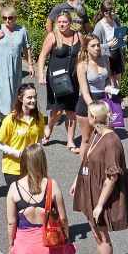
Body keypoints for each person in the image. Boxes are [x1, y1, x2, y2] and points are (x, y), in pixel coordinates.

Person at [72, 100, 128, 254]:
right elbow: (87, 160)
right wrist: (77, 180)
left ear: (94, 118)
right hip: (91, 189)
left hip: (101, 195)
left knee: (102, 236)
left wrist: (99, 205)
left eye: (89, 114)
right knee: (96, 233)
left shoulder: (111, 141)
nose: (86, 116)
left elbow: (111, 177)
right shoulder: (98, 135)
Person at [40, 10, 84, 151]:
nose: (62, 25)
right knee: (58, 111)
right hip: (56, 78)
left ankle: (70, 141)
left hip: (73, 78)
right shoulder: (52, 36)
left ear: (70, 22)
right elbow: (42, 56)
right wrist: (41, 74)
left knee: (71, 110)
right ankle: (49, 127)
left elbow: (83, 56)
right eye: (59, 22)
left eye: (65, 22)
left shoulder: (78, 36)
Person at [0, 82, 45, 197]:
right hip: (14, 169)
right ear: (20, 98)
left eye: (35, 97)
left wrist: (38, 153)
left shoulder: (39, 118)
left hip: (32, 166)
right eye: (29, 97)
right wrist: (19, 154)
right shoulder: (10, 120)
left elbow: (39, 139)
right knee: (18, 200)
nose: (33, 100)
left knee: (33, 199)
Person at [0, 6, 34, 121]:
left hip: (16, 69)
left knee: (16, 95)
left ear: (15, 18)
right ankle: (5, 124)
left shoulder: (21, 30)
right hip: (0, 68)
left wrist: (30, 65)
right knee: (4, 96)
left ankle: (14, 120)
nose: (7, 20)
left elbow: (27, 48)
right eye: (4, 18)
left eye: (10, 18)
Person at [75, 35, 115, 123]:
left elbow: (108, 79)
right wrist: (94, 109)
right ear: (86, 48)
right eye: (93, 46)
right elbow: (84, 92)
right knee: (88, 136)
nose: (96, 48)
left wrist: (109, 88)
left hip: (103, 101)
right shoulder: (82, 65)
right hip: (88, 103)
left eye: (98, 45)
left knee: (105, 133)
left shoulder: (105, 59)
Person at [92, 1, 128, 93]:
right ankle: (110, 105)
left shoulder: (116, 21)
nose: (115, 12)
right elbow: (93, 45)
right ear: (105, 13)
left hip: (117, 54)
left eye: (114, 10)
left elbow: (119, 36)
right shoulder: (99, 27)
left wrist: (124, 39)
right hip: (106, 56)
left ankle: (117, 105)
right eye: (112, 11)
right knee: (110, 84)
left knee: (117, 82)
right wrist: (108, 45)